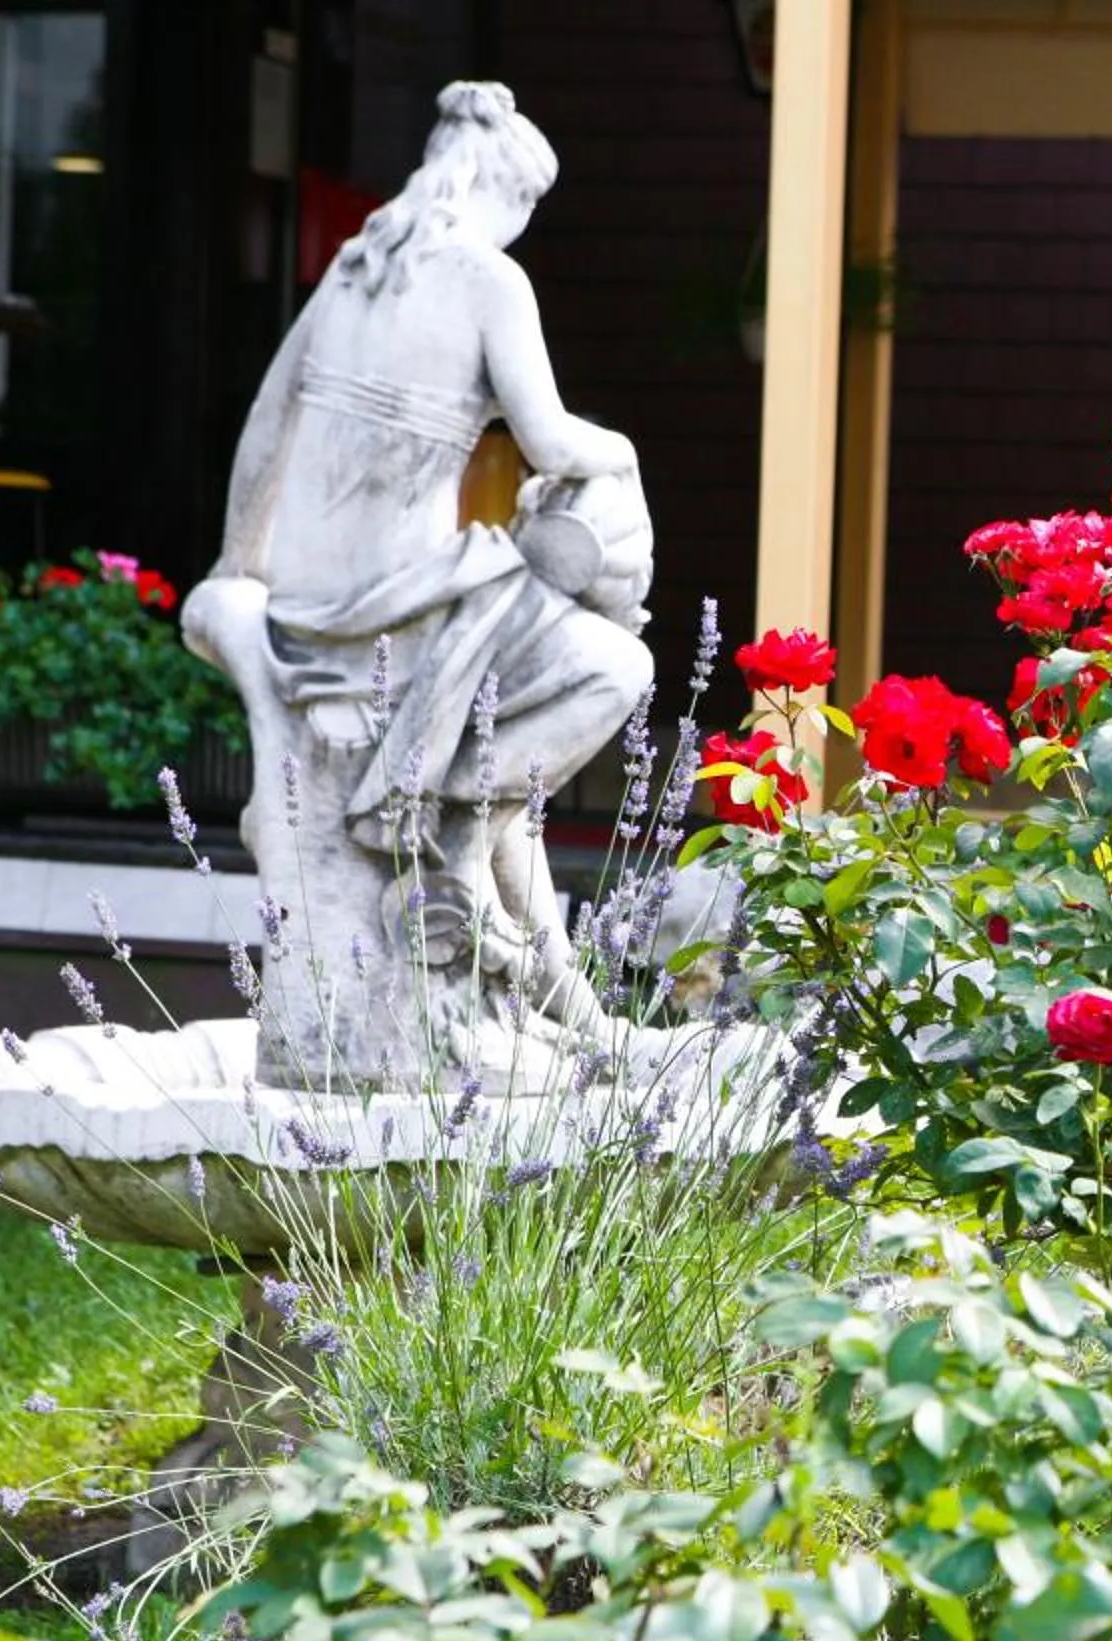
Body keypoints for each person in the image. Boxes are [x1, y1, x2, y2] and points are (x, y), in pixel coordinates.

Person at [187, 80, 650, 1025]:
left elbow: (266, 425)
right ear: (506, 192)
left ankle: (570, 1010)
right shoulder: (488, 279)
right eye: (526, 210)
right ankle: (455, 816)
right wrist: (626, 453)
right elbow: (554, 442)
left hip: (308, 608)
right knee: (618, 666)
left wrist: (240, 568)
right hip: (403, 605)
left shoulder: (356, 268)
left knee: (505, 765)